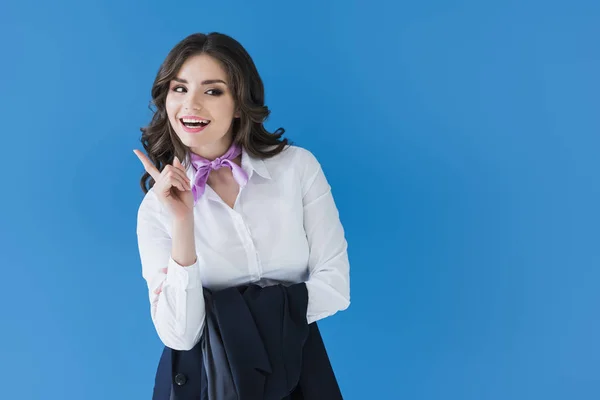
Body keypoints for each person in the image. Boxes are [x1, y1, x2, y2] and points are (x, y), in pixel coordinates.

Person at [133, 32, 350, 355]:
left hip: (298, 368)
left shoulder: (297, 168)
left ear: (239, 104)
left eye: (212, 91)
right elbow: (180, 335)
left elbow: (335, 288)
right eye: (179, 88)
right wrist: (182, 224)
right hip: (210, 378)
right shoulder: (156, 209)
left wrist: (226, 315)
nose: (191, 104)